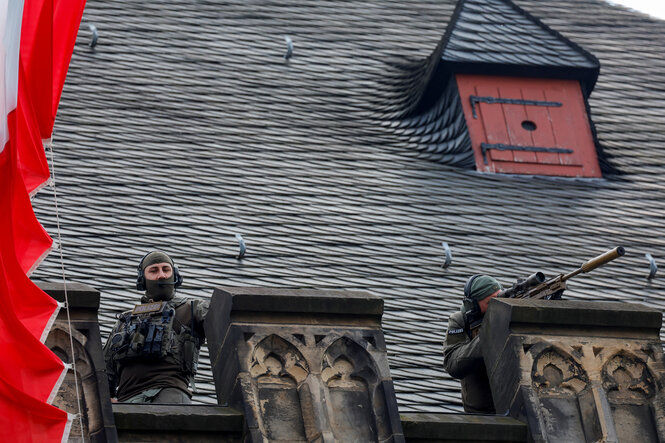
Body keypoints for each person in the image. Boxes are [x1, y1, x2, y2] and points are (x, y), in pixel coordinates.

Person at [103, 251, 208, 404]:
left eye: (166, 269)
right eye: (154, 270)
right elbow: (106, 370)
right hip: (126, 403)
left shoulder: (193, 309)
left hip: (170, 396)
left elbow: (223, 327)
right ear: (142, 279)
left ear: (175, 274)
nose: (161, 276)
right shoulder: (125, 320)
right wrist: (105, 402)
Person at [443, 274, 502, 414]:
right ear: (473, 305)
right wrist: (488, 334)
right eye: (490, 302)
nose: (497, 306)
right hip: (482, 410)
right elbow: (453, 365)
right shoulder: (461, 321)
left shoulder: (507, 313)